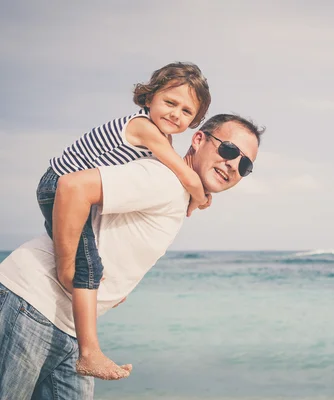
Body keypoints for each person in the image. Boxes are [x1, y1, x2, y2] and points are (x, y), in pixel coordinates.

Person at [0, 114, 263, 399]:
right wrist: (68, 268)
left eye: (245, 164)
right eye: (228, 150)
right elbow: (73, 186)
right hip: (31, 303)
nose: (234, 165)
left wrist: (113, 292)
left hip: (70, 325)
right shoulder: (162, 179)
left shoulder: (179, 193)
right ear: (199, 140)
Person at [36, 62, 213, 380]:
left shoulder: (161, 138)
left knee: (92, 265)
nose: (175, 114)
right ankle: (88, 352)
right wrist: (200, 198)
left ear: (193, 122)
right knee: (83, 267)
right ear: (149, 98)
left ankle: (78, 291)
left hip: (75, 194)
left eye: (186, 111)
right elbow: (185, 173)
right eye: (169, 102)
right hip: (58, 185)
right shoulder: (144, 127)